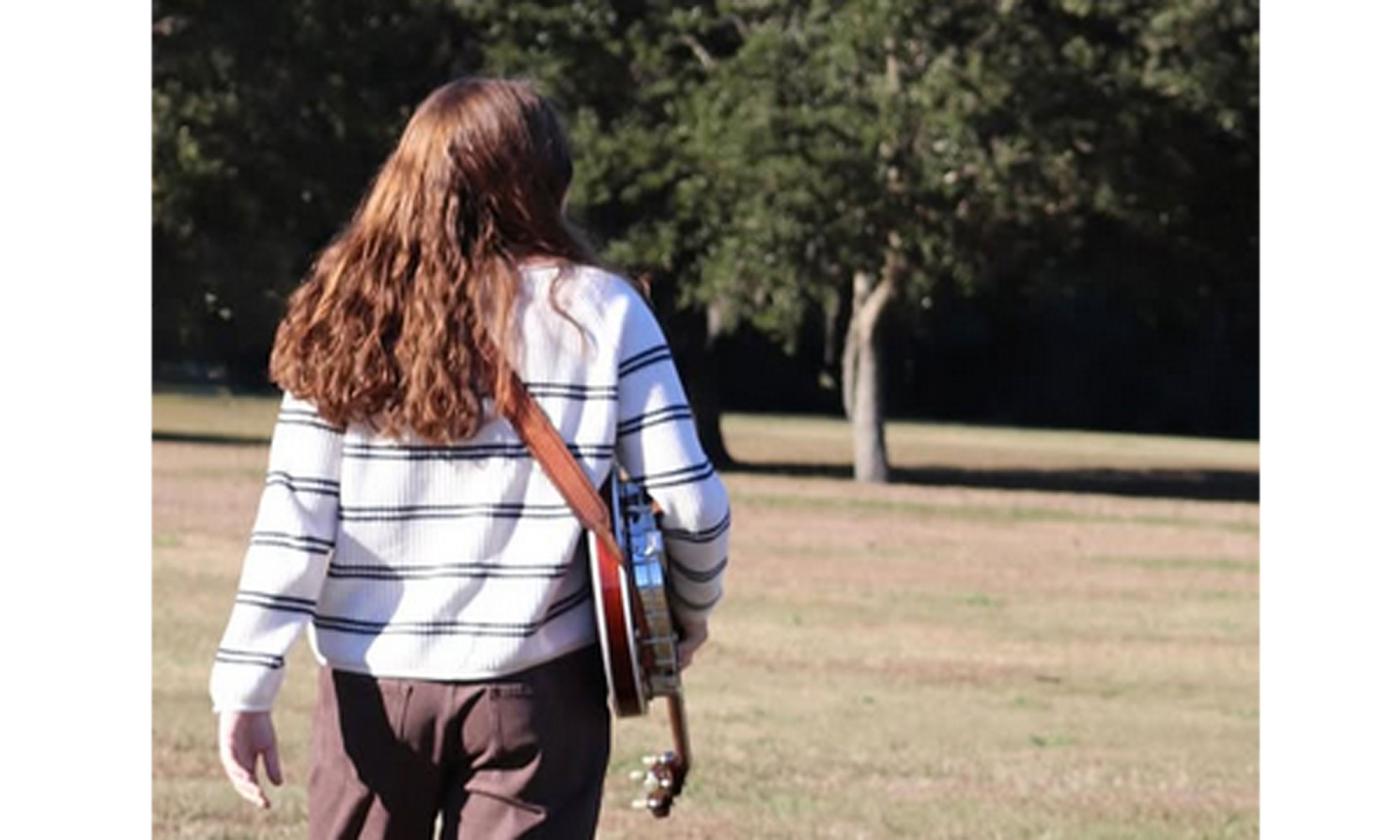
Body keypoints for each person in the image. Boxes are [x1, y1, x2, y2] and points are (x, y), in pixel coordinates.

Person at [209, 77, 731, 840]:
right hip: (541, 687)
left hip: (370, 685)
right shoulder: (606, 310)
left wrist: (246, 684)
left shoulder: (344, 308)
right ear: (545, 181)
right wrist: (685, 610)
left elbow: (295, 518)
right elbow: (691, 503)